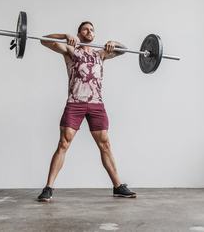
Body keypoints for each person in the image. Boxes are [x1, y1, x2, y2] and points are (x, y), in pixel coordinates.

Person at [37, 21, 136, 202]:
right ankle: (48, 188)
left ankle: (118, 186)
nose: (89, 31)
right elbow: (43, 40)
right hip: (76, 102)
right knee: (64, 143)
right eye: (85, 29)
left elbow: (125, 50)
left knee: (105, 145)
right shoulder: (70, 50)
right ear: (79, 33)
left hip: (96, 104)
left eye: (92, 30)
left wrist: (115, 43)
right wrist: (65, 35)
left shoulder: (101, 53)